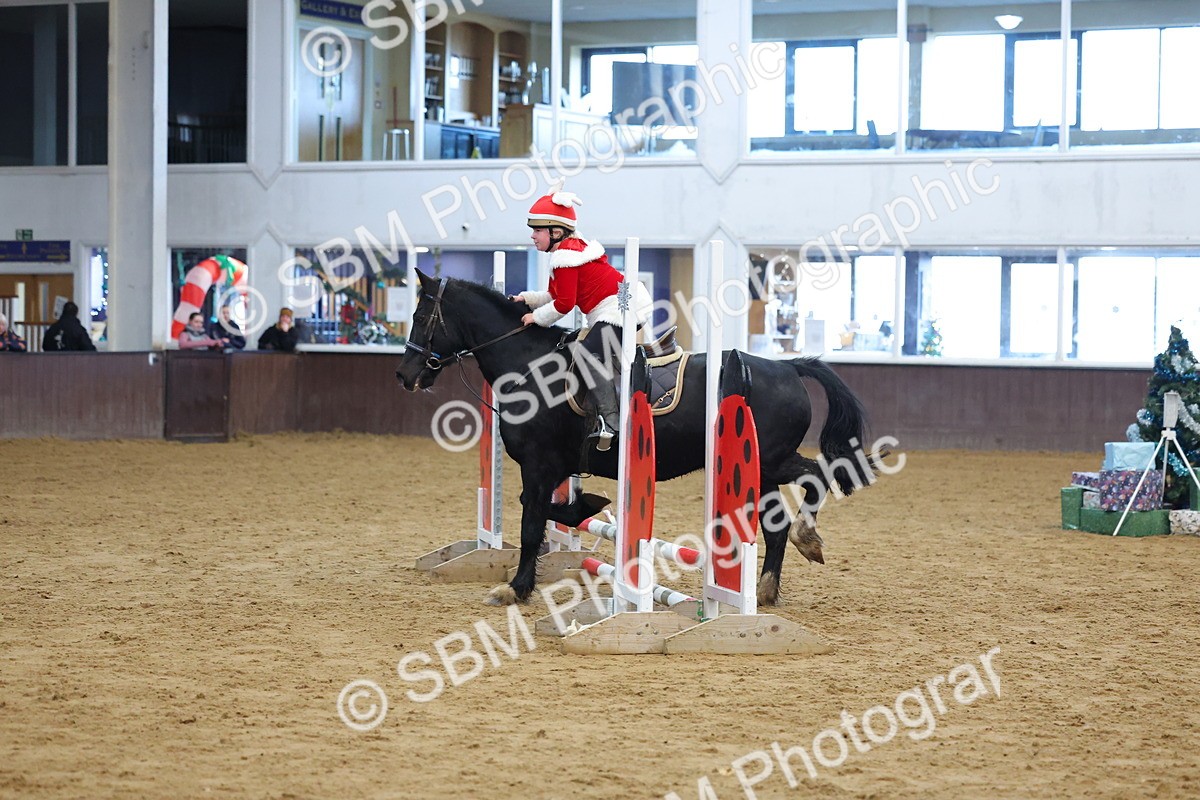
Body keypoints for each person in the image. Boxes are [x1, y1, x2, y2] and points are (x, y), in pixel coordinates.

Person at [511, 189, 650, 450]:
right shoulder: (569, 251)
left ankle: (611, 422)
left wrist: (535, 317)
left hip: (620, 309)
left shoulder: (565, 258)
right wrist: (526, 299)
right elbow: (556, 294)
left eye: (537, 230)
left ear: (556, 232)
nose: (532, 235)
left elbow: (564, 305)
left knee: (587, 355)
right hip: (620, 304)